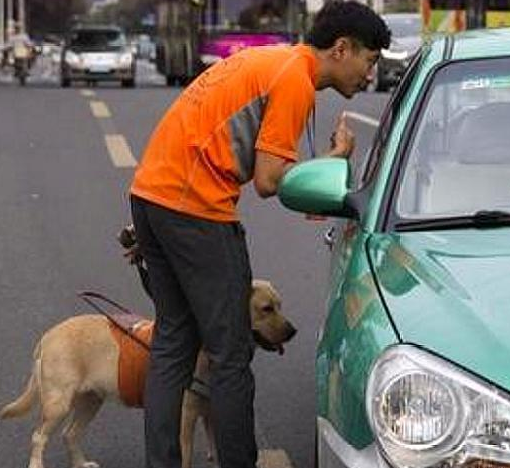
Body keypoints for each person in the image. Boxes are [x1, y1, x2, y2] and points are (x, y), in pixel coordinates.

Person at [128, 2, 390, 468]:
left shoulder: (269, 60)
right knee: (231, 355)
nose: (369, 74)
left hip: (151, 197)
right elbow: (271, 181)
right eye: (369, 60)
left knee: (173, 341)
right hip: (195, 210)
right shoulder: (294, 79)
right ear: (342, 48)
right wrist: (332, 161)